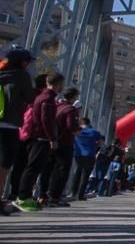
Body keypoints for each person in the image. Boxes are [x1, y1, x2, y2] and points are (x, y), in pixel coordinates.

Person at [14, 72, 64, 212]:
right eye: (61, 84)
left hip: (36, 136)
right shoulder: (48, 99)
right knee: (33, 168)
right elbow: (46, 120)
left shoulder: (43, 97)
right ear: (58, 84)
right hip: (41, 138)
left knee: (32, 167)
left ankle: (25, 196)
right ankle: (23, 197)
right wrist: (53, 139)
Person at [0, 47, 34, 214]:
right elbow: (29, 98)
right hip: (9, 125)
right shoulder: (21, 76)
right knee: (4, 165)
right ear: (22, 61)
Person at [48, 87, 80, 206]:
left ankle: (45, 194)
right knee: (62, 170)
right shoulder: (70, 109)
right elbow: (72, 127)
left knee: (50, 169)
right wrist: (78, 130)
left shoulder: (57, 106)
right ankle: (56, 196)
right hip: (65, 142)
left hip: (53, 140)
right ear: (73, 97)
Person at [69, 116, 102, 202]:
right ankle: (80, 194)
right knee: (85, 175)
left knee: (78, 172)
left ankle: (73, 192)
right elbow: (100, 143)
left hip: (78, 154)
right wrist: (95, 146)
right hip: (90, 155)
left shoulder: (77, 131)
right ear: (89, 123)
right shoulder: (94, 132)